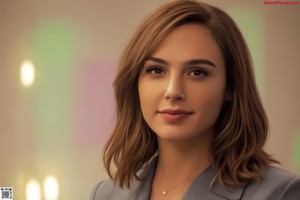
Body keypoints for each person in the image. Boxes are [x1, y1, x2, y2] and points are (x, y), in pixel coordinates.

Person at [90, 0, 300, 199]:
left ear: (231, 86)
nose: (173, 91)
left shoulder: (280, 194)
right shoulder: (105, 195)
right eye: (156, 70)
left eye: (197, 72)